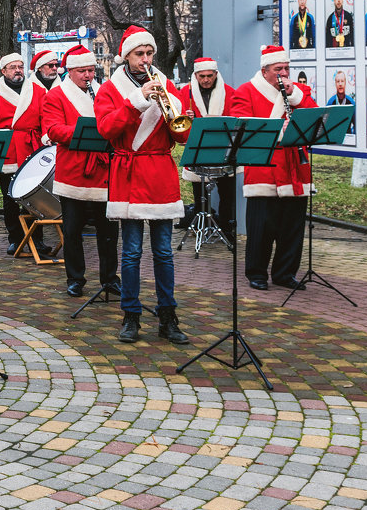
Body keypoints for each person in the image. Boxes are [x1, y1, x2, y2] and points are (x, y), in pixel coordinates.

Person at [95, 25, 190, 345]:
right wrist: (137, 100)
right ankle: (131, 315)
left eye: (150, 53)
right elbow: (106, 129)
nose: (146, 59)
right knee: (132, 252)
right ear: (127, 56)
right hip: (129, 172)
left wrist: (176, 114)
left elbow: (182, 135)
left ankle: (168, 316)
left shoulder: (166, 84)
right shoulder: (110, 89)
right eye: (140, 54)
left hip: (161, 171)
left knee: (164, 252)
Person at [231, 45, 316, 291]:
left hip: (294, 167)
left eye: (287, 68)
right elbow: (242, 123)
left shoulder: (299, 92)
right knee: (262, 228)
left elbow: (314, 118)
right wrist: (279, 129)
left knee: (292, 227)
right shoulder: (246, 91)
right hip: (264, 166)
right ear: (265, 70)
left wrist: (295, 96)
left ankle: (285, 272)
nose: (284, 73)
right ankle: (256, 272)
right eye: (278, 69)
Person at [42, 44, 118, 298]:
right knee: (72, 230)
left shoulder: (103, 92)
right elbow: (52, 129)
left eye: (91, 70)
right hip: (73, 170)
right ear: (70, 72)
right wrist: (85, 132)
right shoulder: (55, 96)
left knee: (108, 231)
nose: (88, 75)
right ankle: (75, 278)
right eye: (83, 71)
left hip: (103, 169)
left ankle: (109, 277)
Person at [0, 52, 48, 255]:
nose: (18, 70)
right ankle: (15, 239)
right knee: (10, 199)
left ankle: (38, 240)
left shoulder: (38, 91)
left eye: (20, 66)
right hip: (8, 153)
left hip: (33, 148)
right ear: (3, 71)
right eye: (13, 67)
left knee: (36, 198)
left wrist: (46, 140)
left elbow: (46, 120)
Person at [179, 57, 237, 240]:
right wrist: (187, 117)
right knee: (199, 193)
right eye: (202, 76)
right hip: (199, 149)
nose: (205, 80)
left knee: (228, 194)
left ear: (216, 74)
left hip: (223, 149)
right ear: (195, 75)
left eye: (209, 76)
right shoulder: (184, 93)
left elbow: (236, 117)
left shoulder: (230, 93)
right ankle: (201, 228)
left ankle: (227, 229)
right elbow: (177, 118)